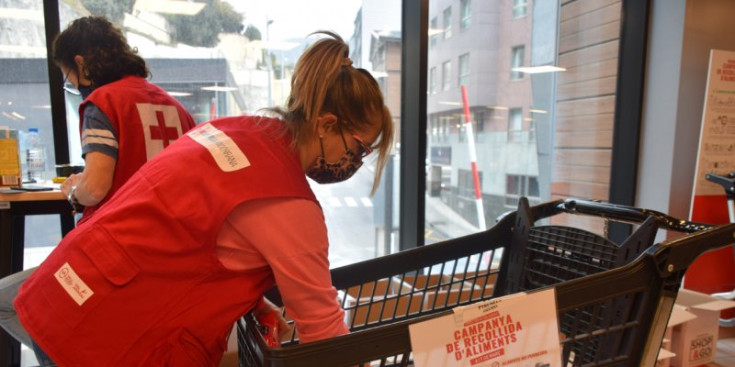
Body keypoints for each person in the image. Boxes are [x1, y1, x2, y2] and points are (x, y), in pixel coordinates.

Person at [14, 30, 394, 366]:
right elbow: (324, 335)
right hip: (106, 332)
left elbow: (189, 226)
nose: (357, 162)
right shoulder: (289, 202)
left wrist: (251, 296)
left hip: (69, 289)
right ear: (326, 125)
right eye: (360, 148)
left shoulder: (234, 130)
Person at [0, 15, 196, 350]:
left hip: (115, 260)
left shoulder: (102, 103)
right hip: (171, 260)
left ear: (80, 63)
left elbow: (97, 187)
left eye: (69, 77)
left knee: (10, 303)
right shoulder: (177, 109)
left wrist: (75, 190)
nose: (74, 85)